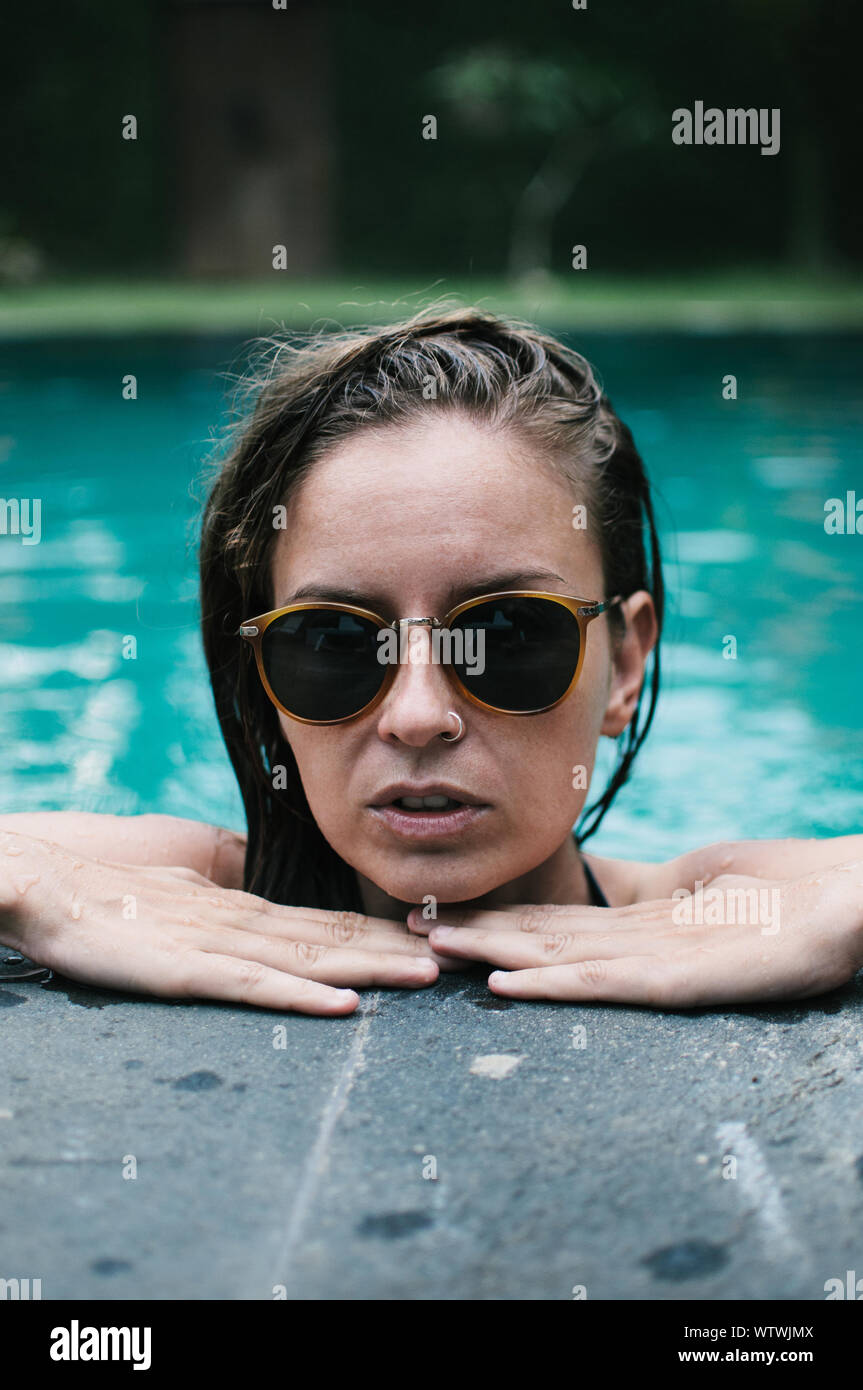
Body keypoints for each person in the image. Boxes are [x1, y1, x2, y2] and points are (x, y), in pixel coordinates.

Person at [2, 308, 861, 1013]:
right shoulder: (195, 882)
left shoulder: (711, 896)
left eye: (506, 634)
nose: (416, 715)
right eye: (332, 640)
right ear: (261, 680)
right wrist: (45, 896)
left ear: (624, 661)